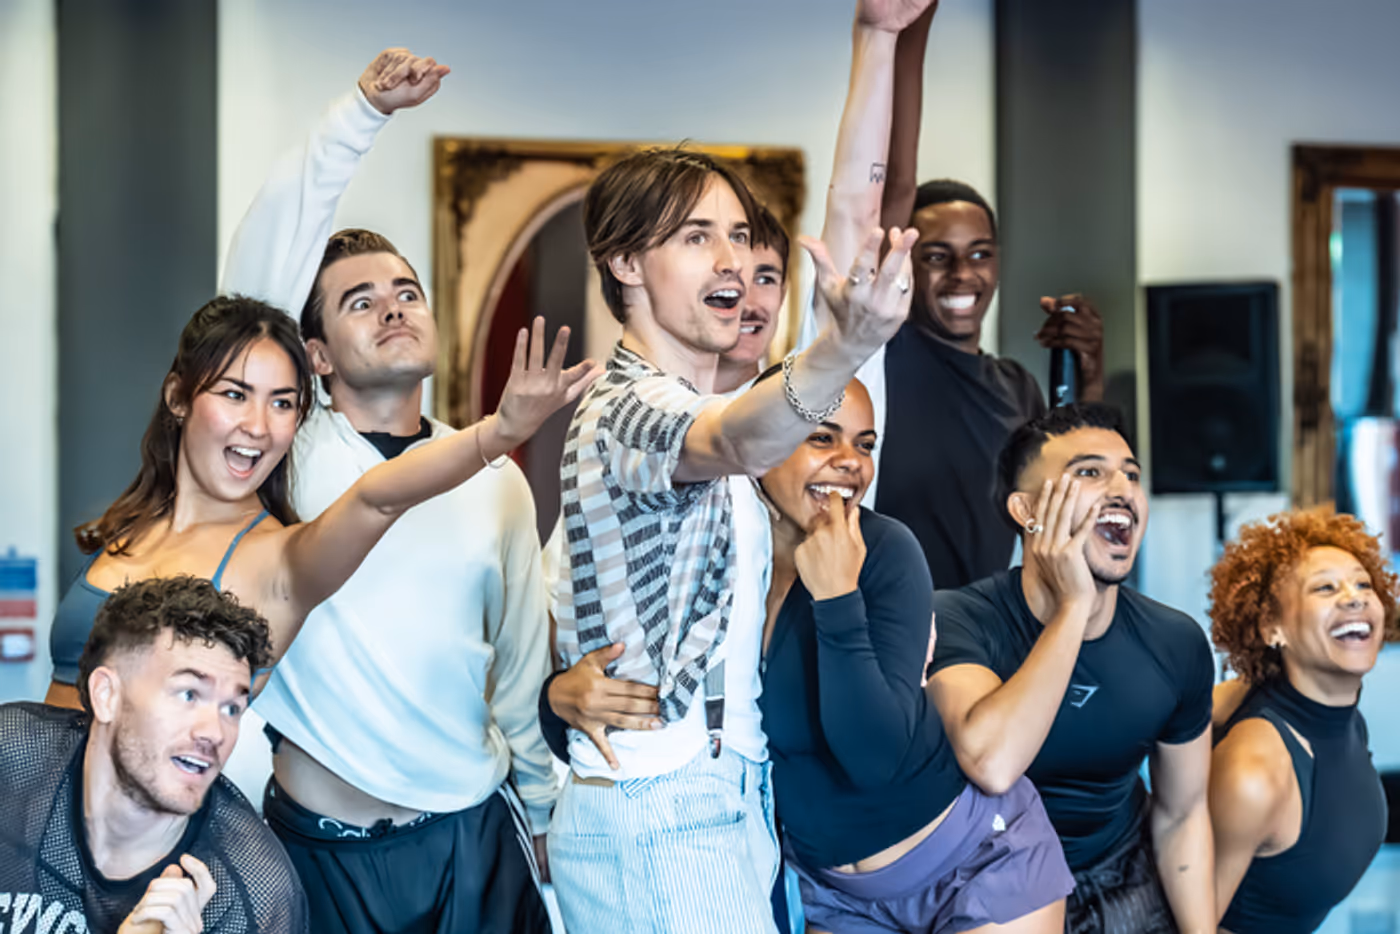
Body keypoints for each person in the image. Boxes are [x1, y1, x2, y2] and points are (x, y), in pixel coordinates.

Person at [216, 48, 570, 932]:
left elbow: (520, 669)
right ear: (315, 354)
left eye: (407, 291)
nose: (393, 306)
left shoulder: (495, 479)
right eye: (360, 300)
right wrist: (360, 115)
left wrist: (544, 814)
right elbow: (252, 288)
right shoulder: (289, 455)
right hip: (321, 853)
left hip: (473, 841)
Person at [756, 371, 1073, 933]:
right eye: (823, 438)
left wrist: (837, 597)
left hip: (975, 862)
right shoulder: (725, 561)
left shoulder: (886, 551)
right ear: (758, 442)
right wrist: (579, 694)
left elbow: (873, 757)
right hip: (834, 894)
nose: (851, 462)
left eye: (865, 445)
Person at [805, 4, 1106, 590]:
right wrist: (904, 30)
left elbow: (1068, 492)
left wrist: (1090, 372)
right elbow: (894, 186)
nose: (963, 274)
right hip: (883, 618)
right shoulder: (883, 352)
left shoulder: (1015, 387)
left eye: (980, 254)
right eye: (937, 256)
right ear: (905, 262)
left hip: (981, 628)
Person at [926, 403, 1216, 933]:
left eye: (1131, 475)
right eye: (1089, 472)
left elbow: (1183, 813)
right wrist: (1073, 607)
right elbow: (992, 763)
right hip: (990, 878)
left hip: (1120, 877)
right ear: (1026, 510)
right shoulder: (958, 618)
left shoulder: (1176, 643)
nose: (1122, 489)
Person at [1, 576, 305, 933]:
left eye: (231, 709)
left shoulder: (253, 894)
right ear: (107, 695)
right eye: (188, 694)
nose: (214, 732)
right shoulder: (11, 758)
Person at [1207, 509, 1394, 934]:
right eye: (1325, 587)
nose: (1354, 598)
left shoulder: (1344, 715)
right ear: (1272, 628)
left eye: (1363, 584)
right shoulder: (1255, 769)